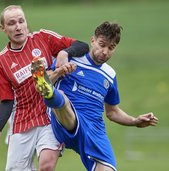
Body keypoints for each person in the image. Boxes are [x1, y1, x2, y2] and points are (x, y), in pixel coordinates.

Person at [31, 21, 159, 171]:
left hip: (95, 129)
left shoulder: (110, 75)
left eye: (111, 48)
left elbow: (112, 112)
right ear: (93, 41)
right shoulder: (73, 57)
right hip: (69, 119)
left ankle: (52, 95)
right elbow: (42, 83)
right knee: (62, 99)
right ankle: (51, 95)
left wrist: (135, 121)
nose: (105, 51)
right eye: (102, 45)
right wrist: (60, 71)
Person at [0, 5, 89, 171]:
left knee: (46, 167)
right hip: (22, 121)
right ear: (3, 28)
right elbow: (6, 100)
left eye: (21, 21)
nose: (18, 26)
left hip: (50, 116)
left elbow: (82, 45)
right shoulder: (0, 61)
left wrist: (64, 53)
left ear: (26, 22)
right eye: (12, 23)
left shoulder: (43, 38)